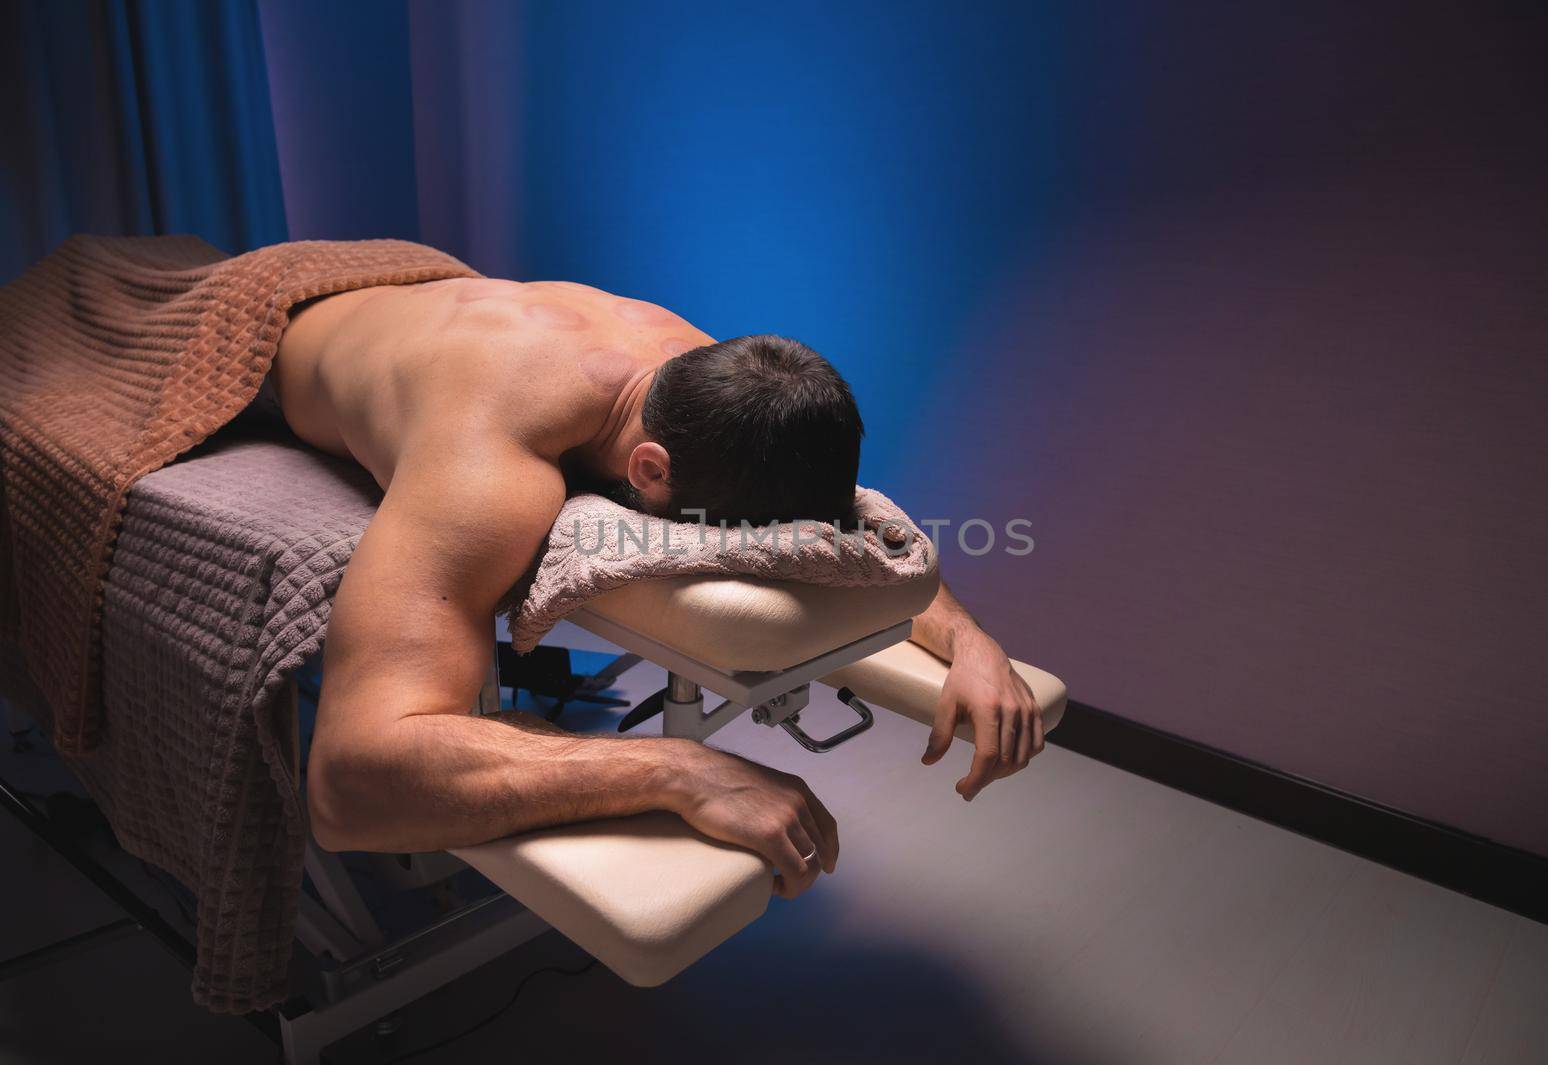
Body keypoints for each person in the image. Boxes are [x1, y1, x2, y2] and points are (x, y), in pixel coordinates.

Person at [276, 277, 1043, 898]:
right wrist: (679, 767)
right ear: (649, 471)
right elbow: (348, 779)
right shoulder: (487, 471)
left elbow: (832, 515)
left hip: (441, 291)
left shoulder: (726, 385)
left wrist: (967, 638)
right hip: (287, 315)